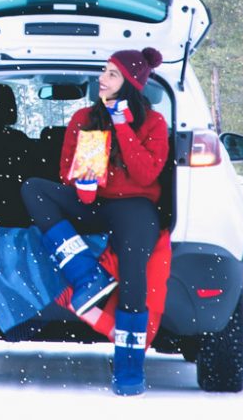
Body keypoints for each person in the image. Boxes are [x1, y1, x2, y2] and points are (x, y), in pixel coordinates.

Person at [20, 47, 168, 397]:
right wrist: (83, 185)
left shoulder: (154, 123)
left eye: (112, 74)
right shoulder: (85, 118)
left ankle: (130, 365)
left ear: (131, 83)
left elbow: (146, 174)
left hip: (135, 204)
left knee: (134, 271)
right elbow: (67, 173)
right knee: (34, 190)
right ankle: (86, 274)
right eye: (104, 71)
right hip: (96, 202)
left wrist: (121, 126)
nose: (102, 78)